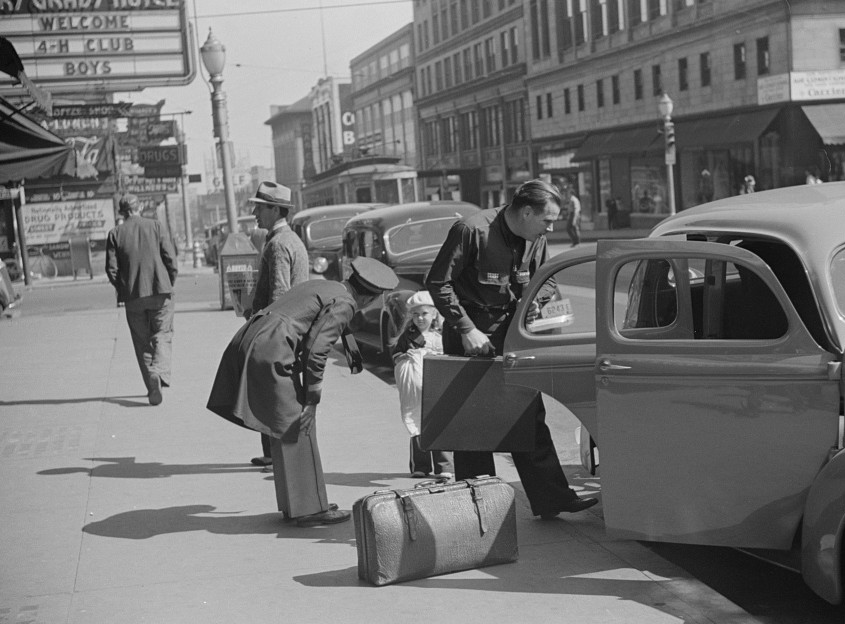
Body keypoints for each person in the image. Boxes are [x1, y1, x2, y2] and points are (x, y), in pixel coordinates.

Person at [425, 179, 598, 519]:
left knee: (528, 412)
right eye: (546, 220)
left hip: (512, 332)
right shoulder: (472, 230)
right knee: (473, 424)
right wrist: (466, 329)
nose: (551, 227)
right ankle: (481, 508)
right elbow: (438, 282)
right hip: (470, 333)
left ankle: (552, 498)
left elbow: (544, 279)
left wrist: (540, 304)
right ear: (526, 212)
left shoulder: (537, 238)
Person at [206, 256, 398, 527]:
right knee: (299, 424)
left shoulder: (328, 286)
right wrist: (312, 398)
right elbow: (317, 351)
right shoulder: (347, 302)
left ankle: (295, 505)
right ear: (370, 297)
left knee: (283, 424)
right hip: (271, 346)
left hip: (254, 338)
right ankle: (310, 509)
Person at [247, 180, 310, 468]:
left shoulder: (278, 244)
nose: (255, 213)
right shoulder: (290, 240)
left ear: (275, 209)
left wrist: (266, 331)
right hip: (293, 328)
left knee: (271, 391)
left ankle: (277, 454)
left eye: (260, 208)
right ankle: (275, 452)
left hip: (280, 330)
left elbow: (280, 294)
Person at [105, 194, 177, 406]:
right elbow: (170, 259)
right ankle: (158, 372)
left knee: (141, 341)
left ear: (121, 212)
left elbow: (112, 269)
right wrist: (168, 281)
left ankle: (151, 385)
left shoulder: (115, 233)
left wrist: (123, 289)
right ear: (140, 207)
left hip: (133, 297)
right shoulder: (155, 226)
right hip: (160, 291)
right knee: (163, 333)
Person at [391, 290, 454, 479]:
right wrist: (404, 356)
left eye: (424, 314)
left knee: (439, 422)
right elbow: (396, 356)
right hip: (416, 388)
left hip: (436, 384)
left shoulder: (442, 334)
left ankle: (445, 467)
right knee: (416, 422)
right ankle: (421, 465)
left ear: (434, 313)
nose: (420, 318)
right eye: (416, 314)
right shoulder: (408, 336)